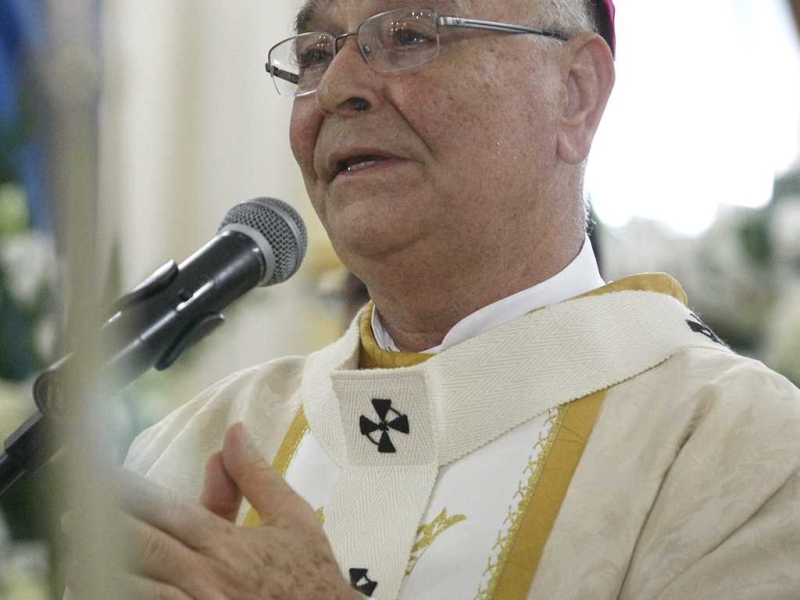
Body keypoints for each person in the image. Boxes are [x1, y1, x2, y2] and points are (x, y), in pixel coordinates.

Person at [75, 1, 800, 598]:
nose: (336, 90)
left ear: (574, 92)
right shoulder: (189, 449)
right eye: (315, 54)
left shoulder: (744, 456)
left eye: (411, 34)